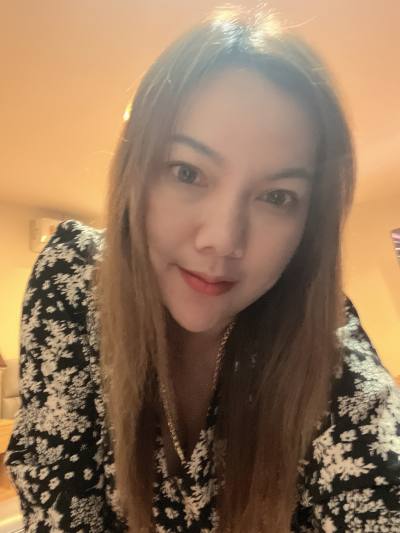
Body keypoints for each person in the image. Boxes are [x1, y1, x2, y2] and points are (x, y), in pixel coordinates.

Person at [5, 6, 400, 532]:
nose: (223, 239)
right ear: (137, 172)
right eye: (187, 172)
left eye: (277, 196)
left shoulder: (328, 352)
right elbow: (59, 500)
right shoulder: (74, 279)